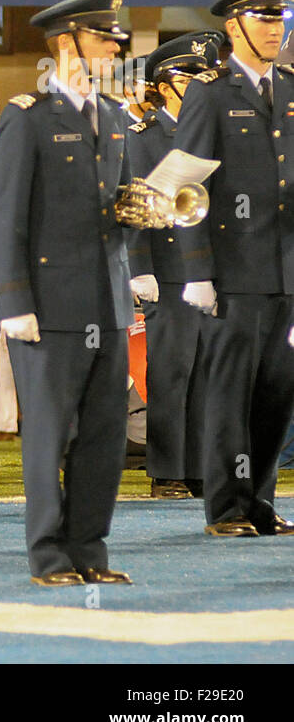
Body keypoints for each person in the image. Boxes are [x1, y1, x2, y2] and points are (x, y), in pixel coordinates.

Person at [0, 0, 136, 586]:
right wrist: (14, 300)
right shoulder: (27, 115)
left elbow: (117, 202)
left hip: (109, 299)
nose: (114, 47)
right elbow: (7, 216)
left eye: (114, 39)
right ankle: (48, 553)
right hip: (50, 306)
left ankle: (90, 549)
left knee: (104, 436)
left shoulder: (119, 117)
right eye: (103, 37)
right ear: (66, 43)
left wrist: (140, 215)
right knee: (49, 436)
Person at [175, 0, 294, 537]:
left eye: (281, 18)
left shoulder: (291, 87)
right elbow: (184, 185)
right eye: (265, 19)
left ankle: (260, 502)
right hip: (233, 273)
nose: (276, 28)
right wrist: (197, 269)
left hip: (286, 271)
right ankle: (226, 507)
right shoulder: (210, 91)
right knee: (230, 394)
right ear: (234, 26)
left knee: (276, 393)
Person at [126, 33, 222, 501]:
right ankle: (166, 468)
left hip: (213, 269)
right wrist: (139, 266)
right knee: (172, 370)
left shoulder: (211, 130)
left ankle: (200, 465)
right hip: (167, 268)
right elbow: (133, 204)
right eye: (193, 79)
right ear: (166, 86)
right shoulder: (141, 137)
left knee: (207, 370)